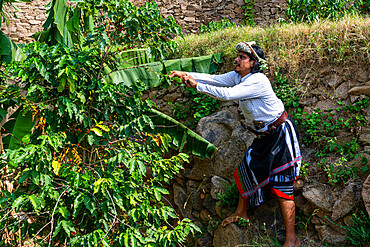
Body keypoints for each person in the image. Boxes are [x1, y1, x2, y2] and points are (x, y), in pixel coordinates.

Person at [169, 41, 302, 247]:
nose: (237, 59)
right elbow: (216, 79)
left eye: (242, 57)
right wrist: (185, 73)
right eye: (237, 56)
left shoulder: (258, 80)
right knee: (244, 170)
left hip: (279, 134)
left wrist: (198, 86)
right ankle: (241, 213)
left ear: (253, 63)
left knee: (281, 184)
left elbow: (228, 94)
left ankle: (292, 239)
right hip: (262, 136)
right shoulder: (239, 76)